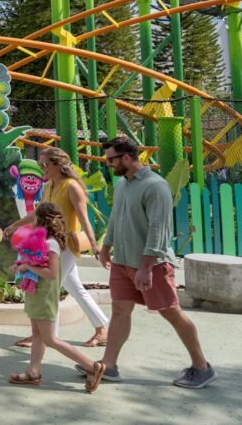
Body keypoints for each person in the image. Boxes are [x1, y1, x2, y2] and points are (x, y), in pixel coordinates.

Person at [82, 137, 216, 388]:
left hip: (151, 265)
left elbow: (159, 230)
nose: (108, 164)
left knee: (171, 313)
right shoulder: (122, 184)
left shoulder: (156, 186)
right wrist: (106, 248)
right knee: (120, 311)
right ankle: (108, 366)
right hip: (122, 262)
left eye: (111, 159)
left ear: (126, 157)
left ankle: (202, 367)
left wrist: (145, 267)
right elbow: (115, 218)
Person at [3, 147, 109, 348]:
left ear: (58, 165)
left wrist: (94, 245)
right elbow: (38, 214)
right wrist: (15, 225)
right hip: (51, 244)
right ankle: (101, 327)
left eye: (45, 164)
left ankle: (47, 336)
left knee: (50, 288)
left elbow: (84, 219)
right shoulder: (50, 185)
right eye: (40, 164)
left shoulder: (72, 186)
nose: (42, 168)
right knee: (74, 288)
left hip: (66, 246)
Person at [7, 203, 106, 392]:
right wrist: (22, 264)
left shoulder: (51, 243)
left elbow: (51, 273)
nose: (32, 220)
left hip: (45, 296)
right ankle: (33, 372)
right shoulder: (43, 241)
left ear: (42, 220)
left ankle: (91, 366)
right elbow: (37, 262)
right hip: (37, 295)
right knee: (37, 334)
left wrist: (27, 267)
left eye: (35, 217)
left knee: (50, 339)